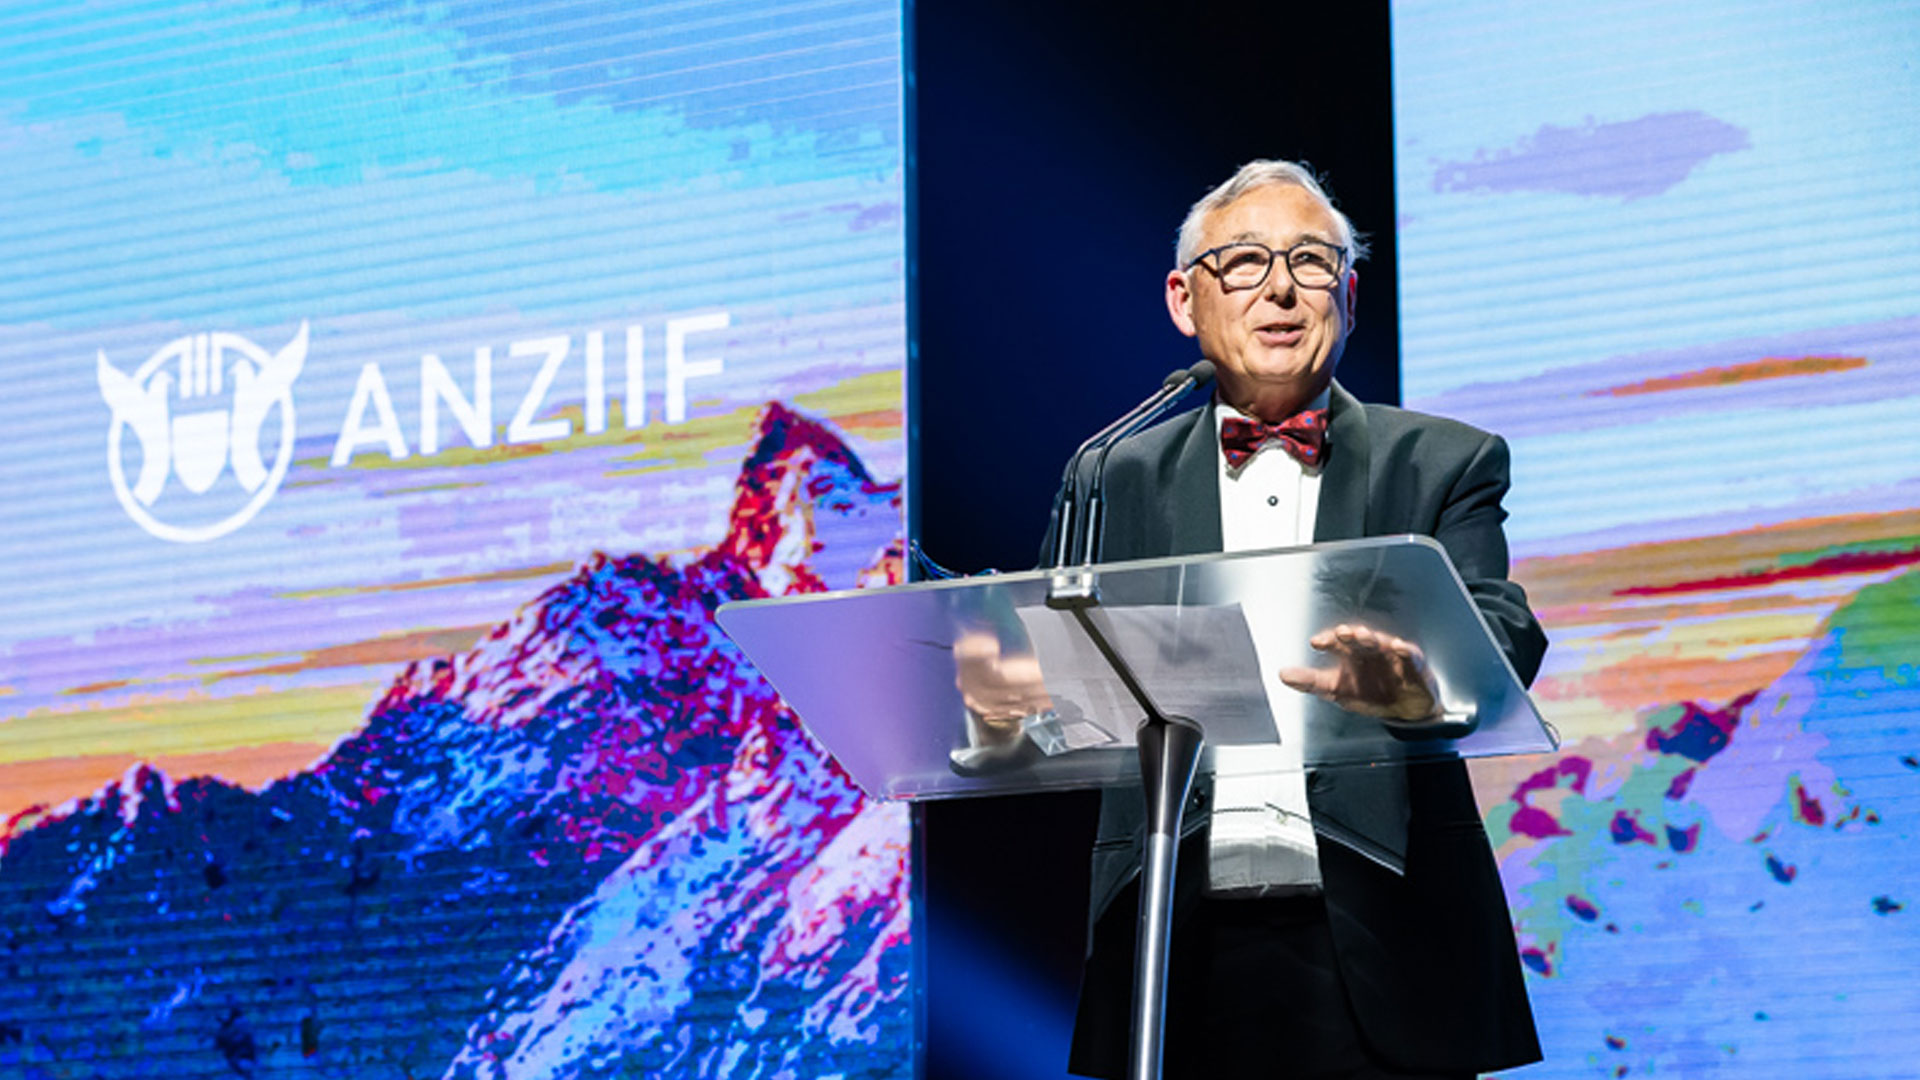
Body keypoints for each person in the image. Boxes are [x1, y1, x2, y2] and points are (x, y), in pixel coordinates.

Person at [1059, 160, 1547, 1079]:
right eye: (1244, 261)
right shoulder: (1112, 472)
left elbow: (1501, 626)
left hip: (1388, 945)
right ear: (1185, 301)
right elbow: (1059, 671)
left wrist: (1418, 678)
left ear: (1348, 299)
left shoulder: (1443, 460)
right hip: (1172, 953)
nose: (1280, 289)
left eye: (1311, 262)